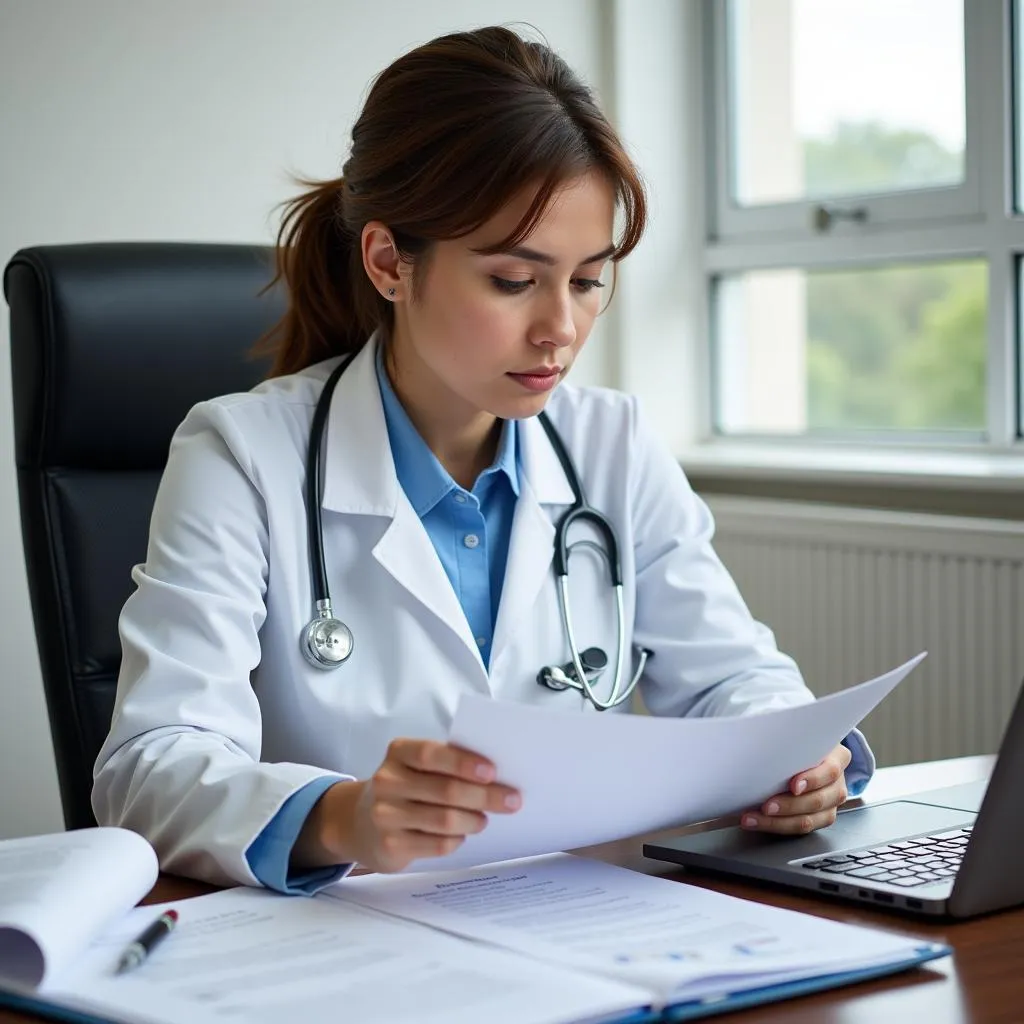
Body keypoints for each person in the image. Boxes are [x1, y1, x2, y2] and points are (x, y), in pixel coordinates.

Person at [92, 25, 872, 892]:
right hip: (348, 943)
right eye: (513, 280)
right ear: (390, 262)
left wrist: (802, 760)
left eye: (586, 280)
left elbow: (736, 680)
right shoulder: (241, 454)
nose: (561, 330)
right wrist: (342, 816)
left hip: (581, 918)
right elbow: (149, 765)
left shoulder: (609, 445)